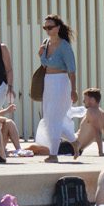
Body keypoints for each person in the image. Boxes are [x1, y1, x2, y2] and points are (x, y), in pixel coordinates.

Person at [34, 13, 79, 164]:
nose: (47, 30)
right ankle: (74, 141)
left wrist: (73, 89)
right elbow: (45, 64)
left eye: (50, 27)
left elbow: (71, 69)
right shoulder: (46, 43)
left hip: (61, 82)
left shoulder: (64, 46)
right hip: (48, 82)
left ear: (58, 28)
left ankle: (53, 154)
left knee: (54, 118)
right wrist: (40, 55)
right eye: (45, 27)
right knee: (49, 119)